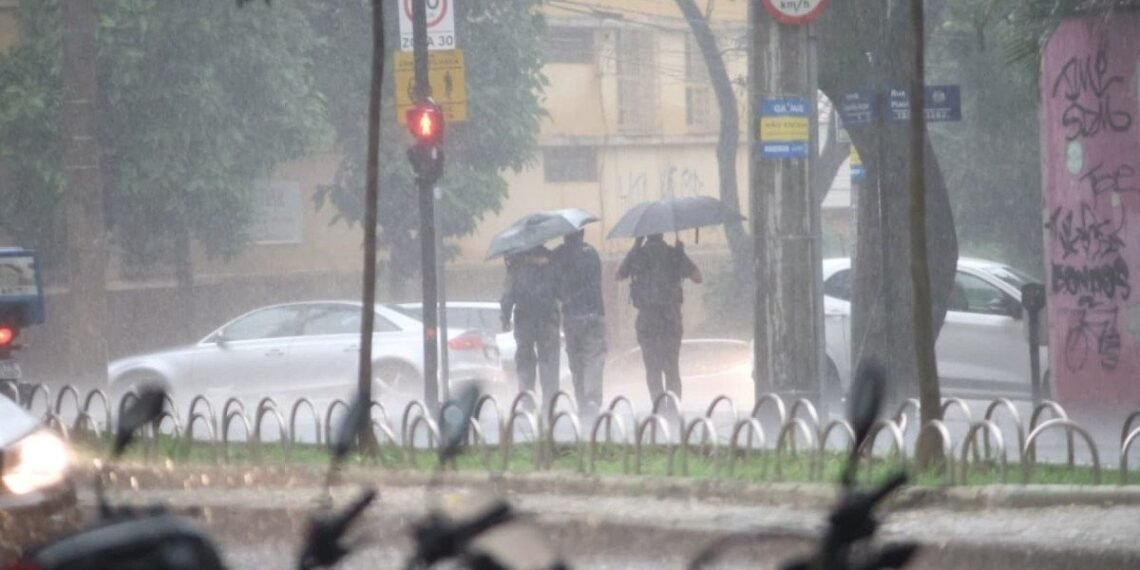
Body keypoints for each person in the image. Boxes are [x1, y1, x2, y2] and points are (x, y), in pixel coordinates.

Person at [616, 234, 702, 410]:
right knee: (672, 369)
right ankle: (674, 410)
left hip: (647, 322)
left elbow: (618, 275)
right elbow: (697, 277)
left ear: (645, 235)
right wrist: (680, 254)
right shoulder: (673, 254)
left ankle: (659, 409)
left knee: (653, 370)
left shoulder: (637, 255)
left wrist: (635, 247)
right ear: (662, 234)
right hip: (671, 321)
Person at [552, 229, 606, 420]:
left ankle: (582, 401)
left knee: (576, 362)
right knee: (593, 358)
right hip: (594, 313)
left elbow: (555, 284)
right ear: (582, 234)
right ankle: (592, 400)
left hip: (572, 317)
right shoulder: (592, 254)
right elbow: (597, 279)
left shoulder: (559, 256)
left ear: (564, 236)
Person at [500, 245, 561, 410]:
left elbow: (508, 294)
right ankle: (550, 403)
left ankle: (528, 401)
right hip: (548, 318)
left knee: (525, 361)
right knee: (549, 362)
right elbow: (561, 290)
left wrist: (505, 317)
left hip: (524, 319)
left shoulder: (516, 265)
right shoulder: (552, 260)